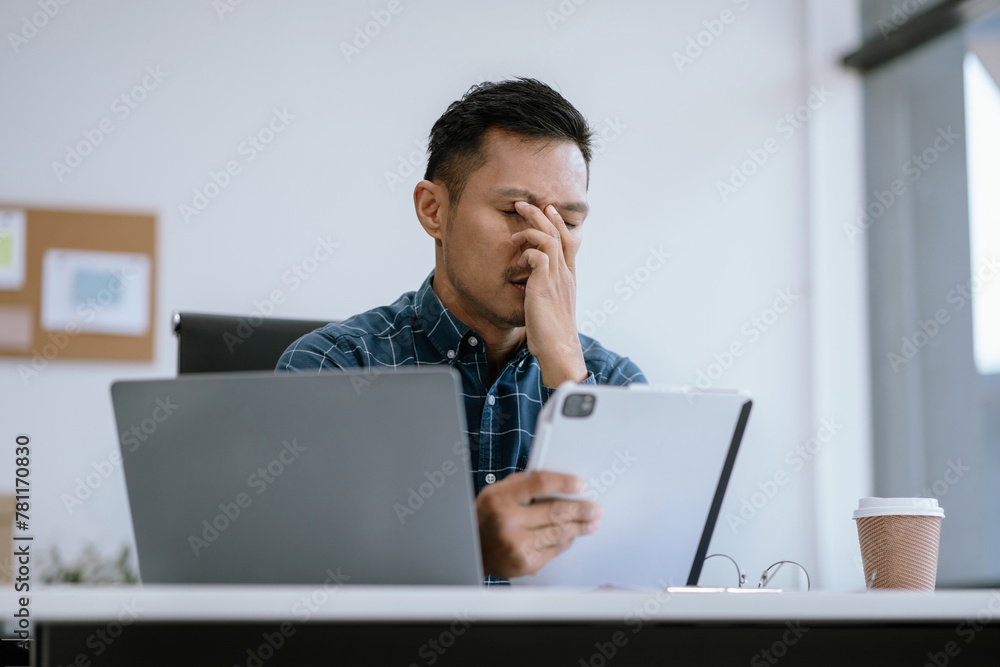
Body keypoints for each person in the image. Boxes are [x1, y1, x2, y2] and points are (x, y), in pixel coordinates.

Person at [276, 78, 646, 583]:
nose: (544, 245)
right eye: (515, 212)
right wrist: (464, 552)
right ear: (434, 210)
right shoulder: (334, 369)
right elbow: (294, 587)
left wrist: (564, 366)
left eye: (570, 223)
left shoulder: (617, 385)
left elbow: (632, 579)